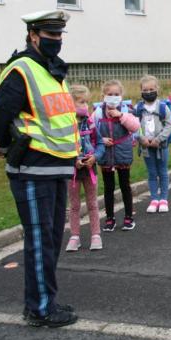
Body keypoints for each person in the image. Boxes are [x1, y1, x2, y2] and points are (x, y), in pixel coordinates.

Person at [0, 9, 79, 327]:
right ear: (33, 36)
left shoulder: (51, 69)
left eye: (59, 34)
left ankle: (44, 301)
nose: (57, 40)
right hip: (33, 167)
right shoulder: (22, 69)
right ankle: (40, 309)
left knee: (50, 240)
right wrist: (6, 144)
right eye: (51, 34)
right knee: (40, 241)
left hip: (56, 167)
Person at [96, 80, 141, 230]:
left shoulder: (126, 109)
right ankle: (110, 218)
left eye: (116, 94)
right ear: (103, 95)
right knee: (108, 187)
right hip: (106, 154)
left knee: (124, 185)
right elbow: (92, 132)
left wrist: (121, 115)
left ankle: (129, 217)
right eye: (110, 94)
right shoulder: (98, 112)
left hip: (123, 153)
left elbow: (135, 127)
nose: (113, 97)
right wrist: (101, 140)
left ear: (121, 95)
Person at [65, 85, 104, 252]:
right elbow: (62, 148)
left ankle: (96, 234)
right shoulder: (65, 125)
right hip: (72, 171)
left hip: (89, 169)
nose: (85, 106)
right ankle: (74, 236)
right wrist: (73, 160)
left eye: (86, 102)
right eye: (81, 102)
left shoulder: (90, 123)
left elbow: (100, 143)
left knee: (92, 203)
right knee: (74, 205)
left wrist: (95, 157)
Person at [136, 75, 171, 212]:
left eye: (151, 89)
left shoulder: (163, 107)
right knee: (152, 173)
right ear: (141, 91)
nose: (149, 92)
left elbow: (169, 126)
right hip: (146, 147)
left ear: (157, 89)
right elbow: (134, 126)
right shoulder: (138, 108)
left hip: (161, 146)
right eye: (145, 90)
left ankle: (163, 199)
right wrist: (142, 139)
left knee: (163, 172)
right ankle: (154, 199)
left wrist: (158, 139)